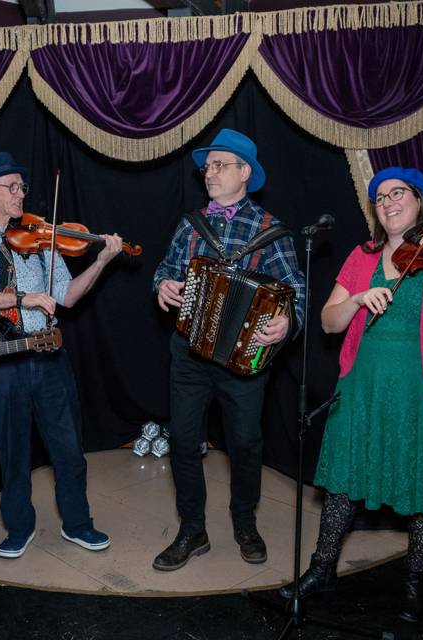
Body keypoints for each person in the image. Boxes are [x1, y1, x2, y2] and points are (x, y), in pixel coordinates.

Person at [278, 167, 423, 622]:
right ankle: (321, 570)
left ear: (421, 202)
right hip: (363, 385)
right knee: (343, 484)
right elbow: (328, 322)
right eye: (381, 197)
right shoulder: (362, 256)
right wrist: (355, 300)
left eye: (400, 194)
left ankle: (414, 582)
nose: (389, 202)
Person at [0, 151, 122, 561]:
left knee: (68, 447)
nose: (21, 194)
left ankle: (78, 523)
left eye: (22, 187)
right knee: (11, 449)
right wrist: (21, 298)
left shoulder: (43, 239)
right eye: (12, 187)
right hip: (1, 356)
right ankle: (19, 527)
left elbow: (68, 297)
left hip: (48, 354)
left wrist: (102, 261)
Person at [153, 128, 306, 571]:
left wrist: (287, 321)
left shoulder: (268, 231)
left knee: (245, 442)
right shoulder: (190, 224)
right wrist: (161, 284)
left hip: (242, 360)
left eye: (220, 165)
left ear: (245, 173)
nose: (210, 174)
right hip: (188, 351)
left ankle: (244, 522)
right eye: (207, 167)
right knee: (182, 440)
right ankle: (191, 529)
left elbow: (296, 290)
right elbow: (165, 268)